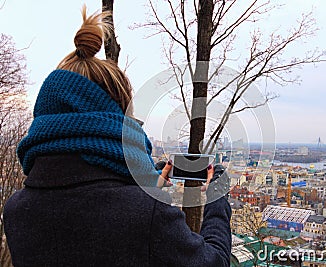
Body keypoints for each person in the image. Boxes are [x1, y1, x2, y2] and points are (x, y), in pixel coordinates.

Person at [4, 6, 231, 267]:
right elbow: (214, 261)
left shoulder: (17, 211)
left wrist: (142, 185)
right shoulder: (147, 215)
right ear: (116, 118)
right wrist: (217, 198)